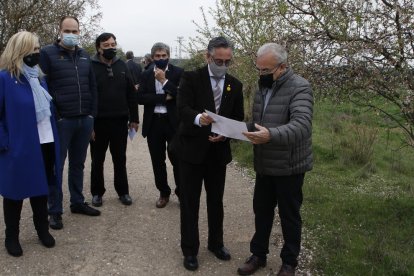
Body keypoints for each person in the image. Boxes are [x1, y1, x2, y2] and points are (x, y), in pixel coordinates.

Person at [237, 43, 313, 276]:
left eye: (266, 71)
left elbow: (302, 125)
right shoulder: (262, 87)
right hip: (264, 164)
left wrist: (270, 135)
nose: (261, 75)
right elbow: (258, 122)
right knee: (262, 211)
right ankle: (258, 255)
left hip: (289, 166)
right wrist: (232, 131)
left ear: (282, 67)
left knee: (289, 216)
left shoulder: (300, 87)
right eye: (258, 70)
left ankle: (289, 262)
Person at [173, 36, 244, 271]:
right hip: (191, 152)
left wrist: (227, 134)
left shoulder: (235, 84)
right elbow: (182, 108)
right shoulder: (191, 78)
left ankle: (216, 243)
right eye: (218, 61)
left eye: (227, 62)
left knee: (216, 202)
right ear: (208, 56)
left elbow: (237, 118)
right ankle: (190, 250)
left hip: (217, 154)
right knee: (190, 203)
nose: (222, 66)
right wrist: (198, 118)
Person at [0, 31, 61, 256]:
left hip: (44, 143)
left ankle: (42, 230)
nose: (38, 53)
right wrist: (5, 143)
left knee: (41, 189)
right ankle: (12, 236)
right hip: (19, 147)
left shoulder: (38, 77)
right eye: (33, 49)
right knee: (14, 193)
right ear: (19, 51)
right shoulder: (5, 78)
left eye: (38, 49)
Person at [40, 15, 100, 231]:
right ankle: (54, 210)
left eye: (75, 31)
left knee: (78, 163)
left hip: (84, 119)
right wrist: (56, 115)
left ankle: (77, 202)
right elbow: (42, 87)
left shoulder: (85, 56)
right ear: (59, 30)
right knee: (57, 166)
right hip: (61, 121)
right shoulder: (47, 54)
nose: (71, 35)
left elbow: (92, 87)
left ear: (79, 32)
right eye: (68, 31)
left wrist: (92, 116)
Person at [90, 33, 139, 207]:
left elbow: (131, 94)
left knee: (120, 159)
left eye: (113, 44)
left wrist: (134, 118)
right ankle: (97, 193)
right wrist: (90, 124)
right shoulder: (90, 66)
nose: (111, 48)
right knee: (97, 159)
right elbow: (88, 96)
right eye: (106, 45)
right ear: (98, 48)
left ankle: (123, 192)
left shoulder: (122, 66)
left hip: (119, 121)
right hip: (98, 123)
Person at [137, 42, 183, 208]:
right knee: (158, 160)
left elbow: (180, 95)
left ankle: (181, 192)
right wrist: (164, 98)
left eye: (164, 56)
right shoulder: (146, 73)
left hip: (173, 123)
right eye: (157, 56)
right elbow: (140, 98)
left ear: (168, 56)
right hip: (154, 122)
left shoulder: (178, 72)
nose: (161, 58)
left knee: (177, 159)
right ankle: (164, 192)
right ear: (153, 57)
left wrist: (164, 81)